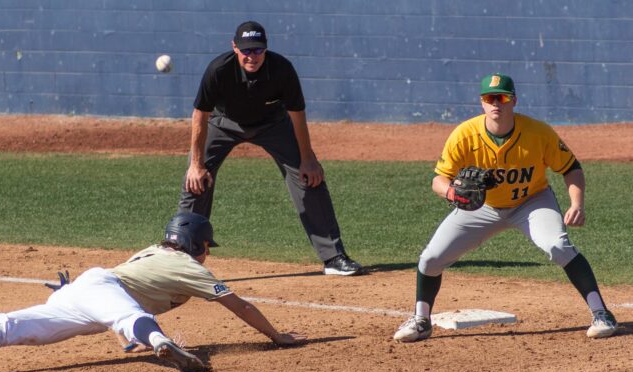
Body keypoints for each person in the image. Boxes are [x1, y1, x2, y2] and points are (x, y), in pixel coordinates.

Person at [0, 212, 306, 372]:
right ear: (195, 244)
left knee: (15, 328)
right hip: (101, 291)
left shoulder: (153, 252)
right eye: (206, 246)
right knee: (128, 318)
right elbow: (239, 303)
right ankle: (161, 342)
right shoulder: (190, 268)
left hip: (87, 292)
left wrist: (75, 295)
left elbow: (118, 296)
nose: (207, 252)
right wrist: (276, 336)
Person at [393, 73, 618, 343]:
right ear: (482, 102)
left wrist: (577, 204)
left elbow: (571, 168)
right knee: (430, 258)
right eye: (490, 98)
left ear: (514, 100)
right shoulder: (465, 134)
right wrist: (451, 191)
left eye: (502, 97)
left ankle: (602, 313)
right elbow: (438, 179)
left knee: (558, 246)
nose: (496, 103)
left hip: (532, 202)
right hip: (483, 207)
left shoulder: (538, 132)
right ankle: (421, 320)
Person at [178, 20, 363, 276]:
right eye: (246, 50)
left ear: (265, 48)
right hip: (223, 123)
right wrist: (196, 164)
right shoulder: (218, 70)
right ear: (235, 47)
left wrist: (308, 159)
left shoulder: (282, 69)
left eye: (257, 50)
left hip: (273, 124)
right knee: (196, 180)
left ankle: (333, 258)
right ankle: (182, 258)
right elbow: (200, 114)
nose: (252, 56)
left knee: (310, 178)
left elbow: (297, 114)